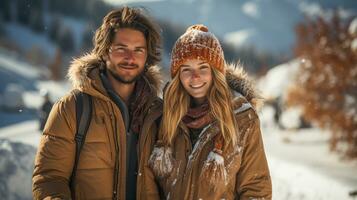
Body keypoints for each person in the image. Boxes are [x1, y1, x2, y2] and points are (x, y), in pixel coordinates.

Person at [32, 6, 163, 200]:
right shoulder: (73, 107)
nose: (130, 58)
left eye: (138, 50)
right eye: (121, 48)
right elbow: (50, 179)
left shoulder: (159, 113)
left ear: (147, 55)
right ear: (105, 51)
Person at [148, 24, 272, 199]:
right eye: (186, 69)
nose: (195, 76)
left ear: (216, 72)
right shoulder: (164, 117)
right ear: (178, 76)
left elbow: (256, 189)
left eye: (203, 67)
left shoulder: (243, 118)